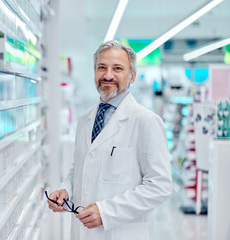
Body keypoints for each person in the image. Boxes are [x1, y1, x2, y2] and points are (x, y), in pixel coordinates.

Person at [47, 40, 172, 240]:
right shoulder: (84, 119)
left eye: (118, 68)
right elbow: (78, 168)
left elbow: (160, 185)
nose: (108, 75)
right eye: (101, 67)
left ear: (132, 76)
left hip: (122, 233)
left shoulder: (146, 121)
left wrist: (107, 212)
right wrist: (66, 191)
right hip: (82, 232)